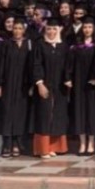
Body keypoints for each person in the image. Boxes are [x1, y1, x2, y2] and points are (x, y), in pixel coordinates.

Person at [0, 15, 33, 157]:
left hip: (23, 85)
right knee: (7, 113)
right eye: (15, 28)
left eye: (20, 28)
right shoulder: (6, 44)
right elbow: (0, 65)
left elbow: (32, 65)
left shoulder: (29, 44)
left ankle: (17, 143)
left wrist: (32, 85)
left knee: (20, 113)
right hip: (8, 84)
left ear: (24, 30)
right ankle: (7, 144)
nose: (17, 31)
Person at [31, 17, 69, 158]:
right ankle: (42, 149)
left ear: (58, 30)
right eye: (48, 29)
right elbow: (36, 64)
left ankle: (54, 147)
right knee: (44, 115)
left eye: (54, 29)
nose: (51, 32)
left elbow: (67, 65)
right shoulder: (40, 45)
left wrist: (68, 79)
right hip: (45, 84)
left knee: (57, 115)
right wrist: (40, 83)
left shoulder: (63, 46)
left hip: (60, 86)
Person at [66, 16, 95, 156]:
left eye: (89, 27)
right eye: (85, 27)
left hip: (92, 84)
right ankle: (82, 143)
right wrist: (68, 78)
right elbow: (69, 64)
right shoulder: (76, 46)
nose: (87, 30)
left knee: (91, 112)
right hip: (78, 82)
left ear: (94, 29)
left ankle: (91, 143)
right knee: (79, 111)